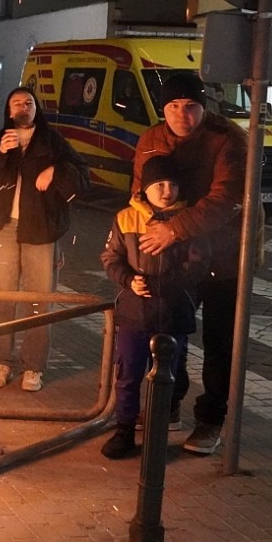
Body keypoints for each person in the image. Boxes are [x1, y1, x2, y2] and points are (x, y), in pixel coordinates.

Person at [132, 72, 247, 456]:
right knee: (167, 331)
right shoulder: (150, 139)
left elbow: (226, 198)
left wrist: (174, 230)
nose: (183, 114)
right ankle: (168, 403)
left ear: (204, 106)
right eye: (174, 106)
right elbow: (138, 192)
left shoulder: (228, 139)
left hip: (223, 257)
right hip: (173, 259)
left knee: (218, 341)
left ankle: (211, 420)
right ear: (163, 108)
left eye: (191, 106)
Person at [0, 86, 88, 392]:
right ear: (9, 112)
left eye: (29, 102)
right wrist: (0, 155)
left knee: (40, 300)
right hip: (4, 228)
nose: (23, 107)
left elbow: (82, 175)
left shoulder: (52, 141)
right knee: (2, 296)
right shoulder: (0, 140)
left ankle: (34, 366)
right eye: (16, 103)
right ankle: (1, 361)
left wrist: (56, 170)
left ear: (36, 109)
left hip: (41, 229)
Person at [99, 155, 207, 459]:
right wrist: (129, 279)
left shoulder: (188, 221)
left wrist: (163, 286)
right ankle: (124, 431)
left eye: (172, 184)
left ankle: (157, 433)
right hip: (134, 313)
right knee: (128, 374)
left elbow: (198, 264)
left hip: (173, 313)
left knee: (166, 378)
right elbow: (110, 258)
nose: (166, 190)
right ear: (144, 189)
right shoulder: (125, 218)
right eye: (158, 184)